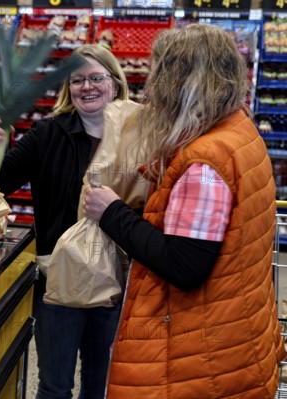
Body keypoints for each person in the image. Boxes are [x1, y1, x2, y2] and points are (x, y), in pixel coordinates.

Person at [83, 24, 286, 399]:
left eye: (159, 73)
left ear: (178, 82)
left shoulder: (205, 163)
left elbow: (184, 265)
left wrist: (111, 211)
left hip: (195, 357)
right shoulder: (240, 130)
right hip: (236, 338)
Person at [0, 44, 148, 399]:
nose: (87, 87)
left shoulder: (138, 141)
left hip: (116, 283)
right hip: (57, 282)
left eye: (96, 78)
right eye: (77, 80)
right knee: (54, 387)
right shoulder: (47, 135)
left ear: (115, 84)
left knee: (99, 385)